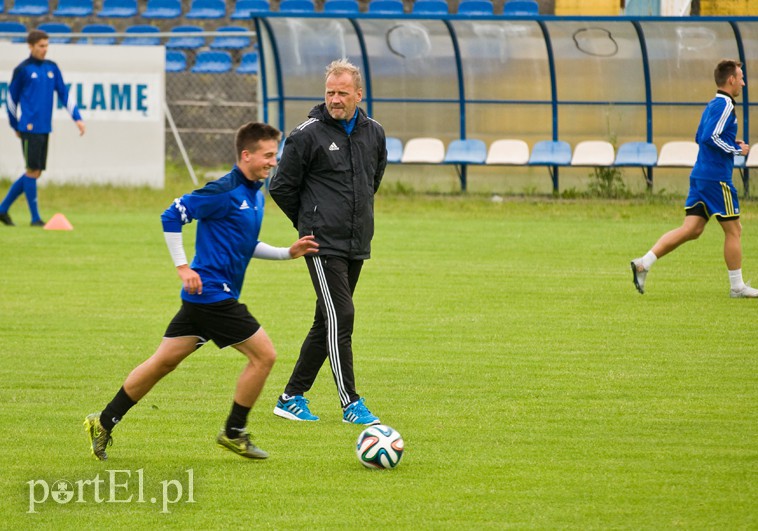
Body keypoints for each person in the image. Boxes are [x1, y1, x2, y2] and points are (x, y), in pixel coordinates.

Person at [84, 122, 319, 461]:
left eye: (275, 155)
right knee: (264, 356)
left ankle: (103, 422)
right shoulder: (223, 190)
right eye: (268, 155)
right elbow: (172, 215)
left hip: (203, 301)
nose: (273, 161)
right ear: (246, 155)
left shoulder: (254, 193)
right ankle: (234, 432)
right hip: (212, 296)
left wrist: (286, 252)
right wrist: (183, 267)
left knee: (161, 363)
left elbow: (244, 242)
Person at [269, 58, 387, 425]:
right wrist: (310, 225)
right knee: (342, 315)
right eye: (330, 93)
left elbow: (373, 179)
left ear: (358, 94)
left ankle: (291, 396)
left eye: (342, 93)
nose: (336, 99)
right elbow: (280, 187)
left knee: (328, 320)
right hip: (321, 244)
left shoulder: (375, 132)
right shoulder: (306, 134)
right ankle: (350, 402)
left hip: (356, 241)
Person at [631, 59, 757, 298]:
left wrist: (732, 142)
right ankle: (737, 286)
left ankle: (643, 263)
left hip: (700, 175)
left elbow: (699, 136)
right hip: (716, 178)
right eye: (740, 77)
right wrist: (735, 149)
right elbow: (709, 137)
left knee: (692, 229)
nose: (743, 82)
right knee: (735, 230)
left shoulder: (712, 105)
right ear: (730, 80)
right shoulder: (726, 105)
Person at [1, 30, 85, 227]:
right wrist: (15, 124)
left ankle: (2, 209)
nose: (44, 50)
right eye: (41, 46)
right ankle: (35, 218)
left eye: (46, 46)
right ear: (30, 46)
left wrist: (78, 118)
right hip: (29, 127)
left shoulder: (52, 68)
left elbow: (64, 93)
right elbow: (11, 99)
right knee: (32, 170)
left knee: (36, 171)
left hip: (44, 127)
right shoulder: (22, 69)